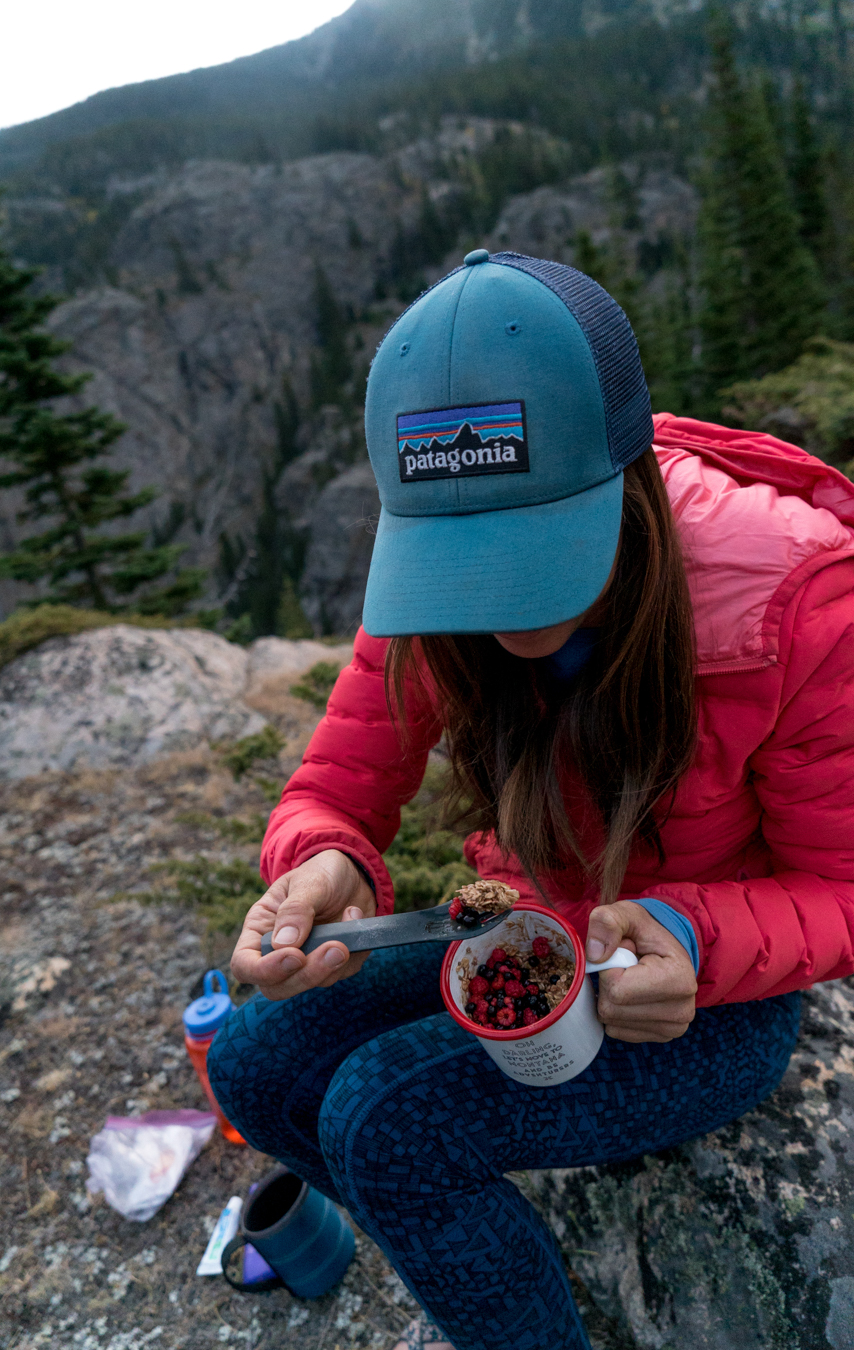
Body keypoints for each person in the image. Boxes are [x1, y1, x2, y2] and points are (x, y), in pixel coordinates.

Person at [207, 250, 854, 1350]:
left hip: (713, 992)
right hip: (529, 921)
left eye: (531, 552)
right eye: (465, 565)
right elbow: (339, 782)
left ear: (624, 481)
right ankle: (475, 1257)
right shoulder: (425, 576)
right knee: (250, 1062)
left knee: (384, 1121)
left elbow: (839, 885)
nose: (498, 616)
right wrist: (323, 858)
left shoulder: (792, 605)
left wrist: (694, 936)